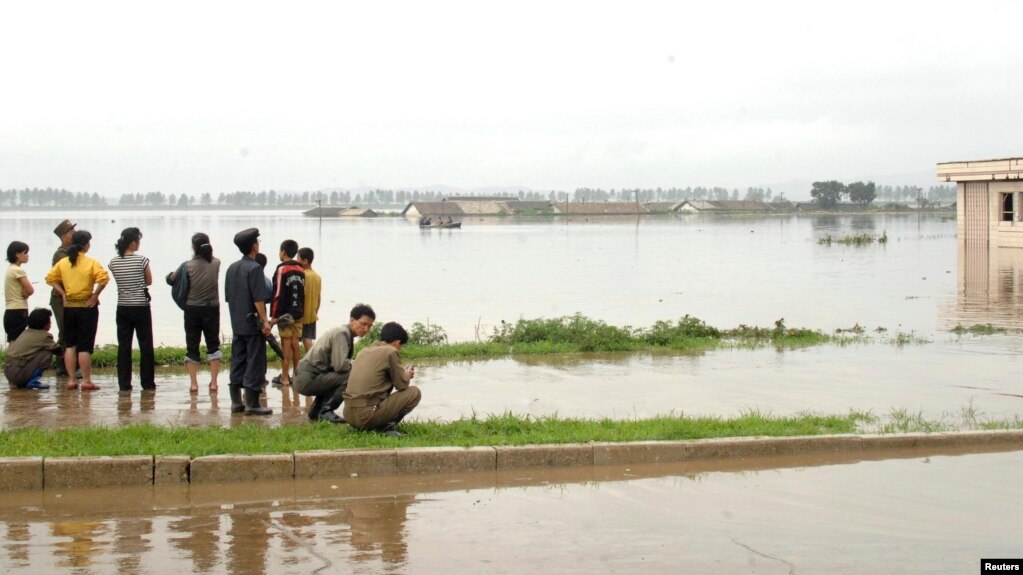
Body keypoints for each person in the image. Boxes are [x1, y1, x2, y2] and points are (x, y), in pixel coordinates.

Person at [44, 229, 109, 391]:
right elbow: (104, 278)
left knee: (71, 345)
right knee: (85, 346)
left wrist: (63, 294)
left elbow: (50, 278)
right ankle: (86, 380)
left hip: (69, 307)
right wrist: (95, 294)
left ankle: (71, 379)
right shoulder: (91, 262)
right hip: (87, 307)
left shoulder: (64, 262)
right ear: (86, 245)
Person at [295, 304, 375, 424]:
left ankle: (316, 410)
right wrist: (358, 365)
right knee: (350, 375)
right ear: (352, 320)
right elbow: (340, 366)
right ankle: (326, 411)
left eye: (369, 326)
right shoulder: (341, 334)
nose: (366, 329)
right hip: (307, 379)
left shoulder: (344, 333)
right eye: (363, 324)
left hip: (305, 377)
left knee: (339, 375)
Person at [224, 227, 272, 415]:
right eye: (258, 242)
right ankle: (252, 403)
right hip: (253, 324)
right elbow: (258, 298)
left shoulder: (232, 268)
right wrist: (265, 320)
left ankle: (236, 402)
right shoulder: (255, 268)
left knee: (238, 359)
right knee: (255, 360)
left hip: (237, 322)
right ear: (254, 246)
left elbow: (229, 297)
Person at [166, 233, 222, 394]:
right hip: (212, 308)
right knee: (213, 344)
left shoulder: (187, 265)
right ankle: (213, 383)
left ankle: (194, 384)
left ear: (193, 247)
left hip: (192, 309)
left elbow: (172, 279)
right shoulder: (217, 263)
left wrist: (169, 275)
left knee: (192, 345)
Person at [343, 322, 421, 436]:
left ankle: (377, 424)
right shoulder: (391, 351)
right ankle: (386, 427)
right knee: (414, 392)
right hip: (365, 417)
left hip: (349, 415)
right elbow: (401, 385)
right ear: (397, 342)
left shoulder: (363, 352)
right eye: (401, 346)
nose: (400, 349)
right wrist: (407, 375)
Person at [108, 227, 155, 391]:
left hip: (122, 306)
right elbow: (149, 281)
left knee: (124, 346)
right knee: (146, 345)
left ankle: (124, 383)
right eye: (138, 241)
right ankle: (147, 383)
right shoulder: (141, 260)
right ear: (133, 243)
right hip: (140, 306)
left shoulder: (113, 262)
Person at [270, 239, 304, 386]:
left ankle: (284, 377)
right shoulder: (301, 269)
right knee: (295, 341)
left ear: (283, 252)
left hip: (285, 314)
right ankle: (297, 375)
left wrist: (273, 316)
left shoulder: (282, 269)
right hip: (298, 311)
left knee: (286, 342)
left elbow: (277, 294)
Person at [3, 308, 59, 389]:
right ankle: (33, 381)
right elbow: (58, 350)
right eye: (49, 321)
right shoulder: (44, 336)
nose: (51, 323)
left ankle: (24, 380)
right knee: (47, 352)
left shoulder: (25, 332)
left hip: (9, 373)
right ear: (44, 324)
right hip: (18, 374)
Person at [50, 219, 76, 375]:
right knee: (65, 330)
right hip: (60, 298)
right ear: (64, 236)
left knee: (70, 330)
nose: (74, 234)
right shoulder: (61, 254)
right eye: (71, 232)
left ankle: (67, 364)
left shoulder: (72, 251)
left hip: (70, 297)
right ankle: (61, 364)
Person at [4, 241, 33, 343]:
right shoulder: (18, 270)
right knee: (19, 342)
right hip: (18, 310)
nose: (27, 256)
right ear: (17, 254)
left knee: (13, 341)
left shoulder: (10, 269)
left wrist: (25, 292)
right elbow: (30, 290)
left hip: (10, 310)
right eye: (25, 253)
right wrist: (26, 293)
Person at [297, 247, 321, 354]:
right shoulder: (317, 276)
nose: (296, 261)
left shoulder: (302, 276)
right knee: (308, 339)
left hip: (301, 314)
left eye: (298, 258)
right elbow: (319, 298)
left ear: (305, 261)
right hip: (312, 314)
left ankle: (300, 365)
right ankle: (311, 362)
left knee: (296, 341)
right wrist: (316, 311)